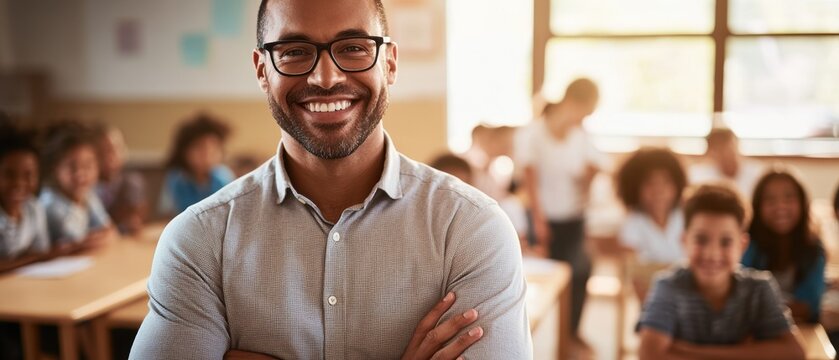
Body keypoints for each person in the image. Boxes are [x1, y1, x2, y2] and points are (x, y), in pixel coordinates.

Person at [130, 0, 531, 358]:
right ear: (262, 70)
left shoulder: (470, 229)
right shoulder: (200, 240)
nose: (325, 77)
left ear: (390, 63)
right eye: (294, 51)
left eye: (353, 48)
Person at [638, 184, 805, 360]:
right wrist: (750, 351)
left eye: (726, 242)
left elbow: (793, 352)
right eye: (701, 239)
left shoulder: (759, 288)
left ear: (742, 245)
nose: (712, 254)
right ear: (684, 240)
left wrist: (691, 351)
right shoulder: (668, 286)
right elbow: (650, 355)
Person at [514, 78, 609, 343]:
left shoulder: (580, 136)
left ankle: (571, 334)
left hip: (574, 217)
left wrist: (589, 178)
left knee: (581, 271)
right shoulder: (532, 134)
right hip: (543, 218)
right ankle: (528, 337)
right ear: (572, 102)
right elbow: (529, 182)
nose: (584, 119)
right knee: (544, 279)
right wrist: (538, 220)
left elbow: (596, 167)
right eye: (585, 112)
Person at [741, 169, 826, 323]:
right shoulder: (747, 243)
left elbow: (809, 307)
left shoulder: (813, 247)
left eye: (789, 198)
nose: (780, 206)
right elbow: (739, 297)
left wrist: (762, 308)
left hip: (801, 329)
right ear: (758, 206)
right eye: (770, 200)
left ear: (803, 204)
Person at [616, 147, 687, 301]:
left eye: (666, 182)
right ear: (635, 187)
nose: (658, 190)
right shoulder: (633, 223)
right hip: (653, 299)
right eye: (650, 183)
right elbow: (633, 273)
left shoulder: (685, 217)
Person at [39, 121, 115, 248]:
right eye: (72, 167)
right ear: (54, 169)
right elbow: (77, 243)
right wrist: (98, 237)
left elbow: (109, 229)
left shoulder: (88, 195)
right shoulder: (50, 204)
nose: (80, 174)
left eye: (87, 166)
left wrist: (102, 235)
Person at [157, 113, 235, 217]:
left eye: (214, 148)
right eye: (200, 148)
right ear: (184, 151)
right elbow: (167, 215)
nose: (207, 155)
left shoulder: (223, 177)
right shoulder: (176, 179)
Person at [0, 116, 50, 272]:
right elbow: (39, 257)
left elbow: (41, 252)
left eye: (28, 175)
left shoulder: (34, 208)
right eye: (9, 174)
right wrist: (32, 259)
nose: (19, 183)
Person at [93, 124, 148, 236]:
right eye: (103, 151)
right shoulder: (87, 188)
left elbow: (136, 221)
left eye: (116, 148)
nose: (110, 156)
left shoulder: (132, 182)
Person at [688, 128, 763, 200]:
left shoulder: (758, 173)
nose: (725, 155)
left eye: (728, 148)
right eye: (717, 150)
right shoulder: (700, 176)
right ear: (711, 154)